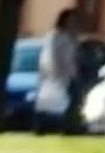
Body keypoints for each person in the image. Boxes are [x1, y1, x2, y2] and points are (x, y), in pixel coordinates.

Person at [34, 8, 80, 136]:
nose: (73, 23)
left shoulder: (69, 37)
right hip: (56, 76)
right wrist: (57, 74)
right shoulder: (55, 37)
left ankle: (68, 128)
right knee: (51, 104)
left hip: (68, 75)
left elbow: (72, 57)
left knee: (71, 102)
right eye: (71, 20)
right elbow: (53, 57)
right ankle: (46, 128)